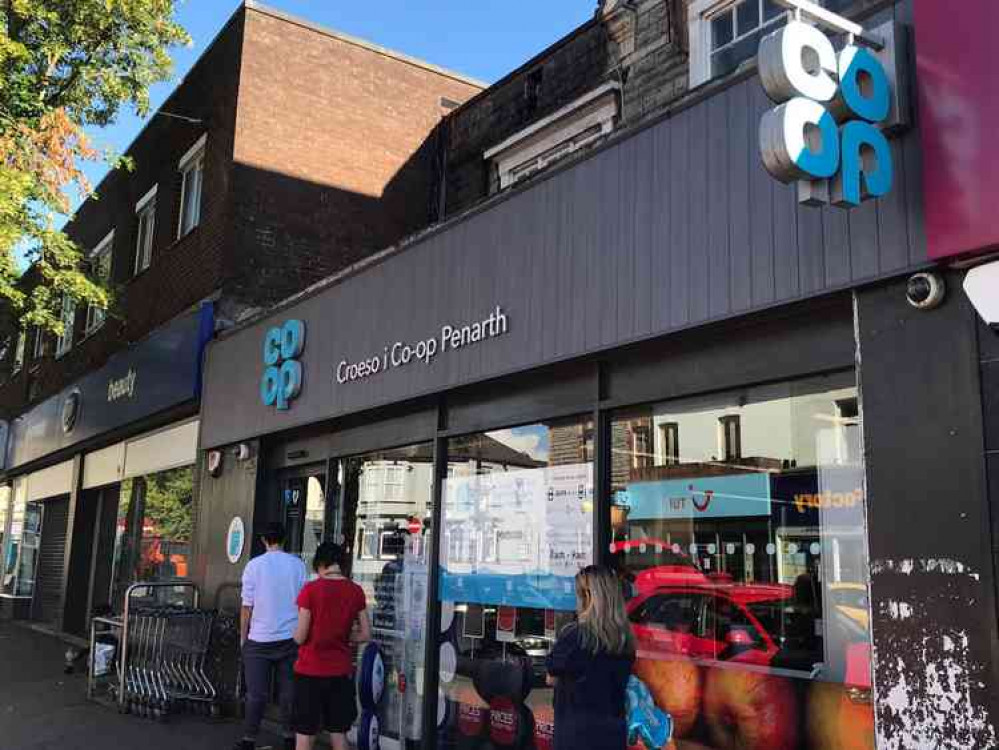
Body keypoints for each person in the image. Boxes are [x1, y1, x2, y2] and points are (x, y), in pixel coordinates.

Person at [292, 541, 371, 750]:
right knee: (338, 733)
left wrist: (294, 632)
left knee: (305, 734)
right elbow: (365, 634)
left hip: (309, 671)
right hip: (340, 673)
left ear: (320, 564)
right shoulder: (356, 591)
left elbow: (300, 636)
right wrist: (345, 636)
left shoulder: (310, 590)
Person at [546, 565, 636, 750]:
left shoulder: (574, 636)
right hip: (612, 736)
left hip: (577, 736)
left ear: (587, 598)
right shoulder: (625, 639)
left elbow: (551, 678)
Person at [236, 522, 308, 750]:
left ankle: (249, 739)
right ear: (284, 539)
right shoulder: (298, 565)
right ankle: (289, 737)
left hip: (259, 639)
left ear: (263, 540)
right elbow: (304, 603)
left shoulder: (254, 566)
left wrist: (243, 636)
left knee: (256, 694)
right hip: (290, 638)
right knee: (289, 693)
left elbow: (247, 606)